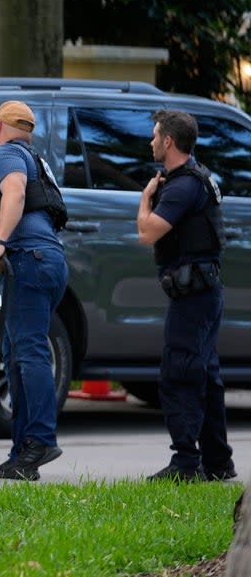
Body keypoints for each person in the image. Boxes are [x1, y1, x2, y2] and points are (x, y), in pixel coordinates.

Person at [137, 109, 236, 482]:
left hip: (195, 296)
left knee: (179, 373)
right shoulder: (193, 178)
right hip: (202, 292)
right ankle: (217, 461)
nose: (151, 142)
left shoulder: (181, 186)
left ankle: (185, 463)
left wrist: (146, 199)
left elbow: (148, 233)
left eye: (155, 135)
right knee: (206, 376)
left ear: (169, 142)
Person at [0, 100, 68, 481]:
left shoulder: (6, 155)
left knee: (27, 353)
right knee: (16, 354)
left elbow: (13, 194)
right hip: (47, 261)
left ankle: (41, 440)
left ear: (0, 125)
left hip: (26, 260)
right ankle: (21, 454)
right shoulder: (36, 158)